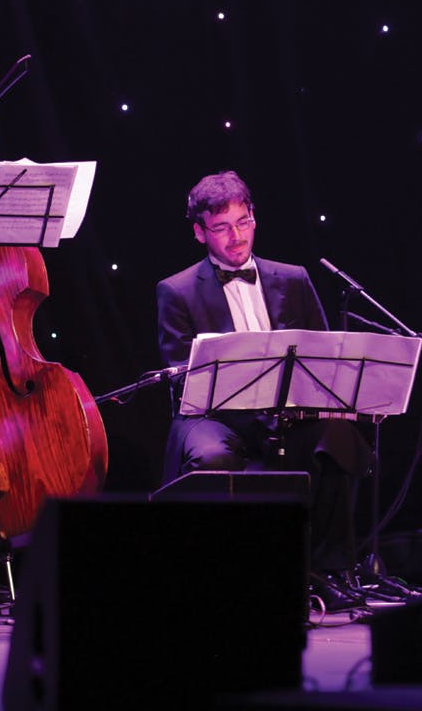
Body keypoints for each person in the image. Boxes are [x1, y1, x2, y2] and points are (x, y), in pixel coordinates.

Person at [156, 170, 371, 610]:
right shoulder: (175, 291)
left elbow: (323, 355)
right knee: (212, 457)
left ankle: (328, 570)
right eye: (221, 227)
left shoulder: (292, 278)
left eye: (243, 221)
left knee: (340, 437)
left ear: (254, 218)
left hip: (286, 412)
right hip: (214, 417)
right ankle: (224, 575)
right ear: (199, 232)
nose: (236, 237)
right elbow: (182, 378)